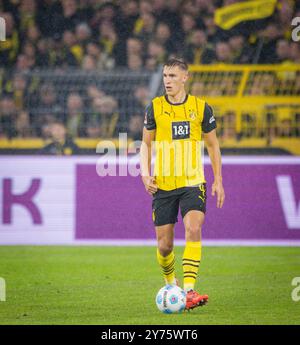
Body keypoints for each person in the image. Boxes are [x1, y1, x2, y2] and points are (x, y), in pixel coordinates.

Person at [140, 58, 225, 311]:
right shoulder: (154, 108)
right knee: (164, 246)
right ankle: (170, 283)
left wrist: (218, 180)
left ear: (185, 78)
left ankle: (188, 290)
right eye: (165, 76)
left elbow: (213, 145)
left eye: (173, 76)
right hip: (163, 185)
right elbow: (145, 144)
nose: (168, 81)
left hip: (193, 182)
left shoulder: (200, 108)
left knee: (193, 227)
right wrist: (145, 174)